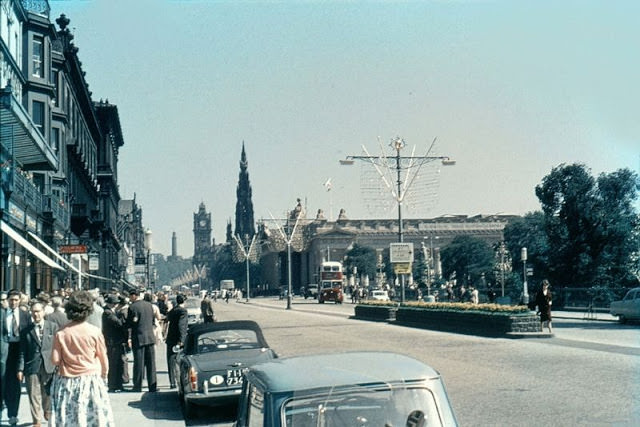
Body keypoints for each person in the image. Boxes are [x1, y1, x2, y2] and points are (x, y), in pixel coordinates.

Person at [50, 290, 114, 426]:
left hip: (66, 381)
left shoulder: (61, 333)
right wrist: (104, 376)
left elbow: (55, 360)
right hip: (90, 380)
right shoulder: (95, 332)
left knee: (69, 418)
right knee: (92, 417)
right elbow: (103, 359)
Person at [18, 302, 58, 426]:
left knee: (47, 393)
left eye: (38, 311)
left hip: (49, 365)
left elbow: (58, 347)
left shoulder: (52, 327)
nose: (36, 314)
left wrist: (59, 364)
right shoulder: (25, 331)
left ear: (43, 312)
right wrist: (20, 369)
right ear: (31, 313)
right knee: (33, 394)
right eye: (33, 311)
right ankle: (37, 420)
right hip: (32, 366)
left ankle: (47, 410)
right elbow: (22, 352)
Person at [1, 289, 32, 426]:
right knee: (2, 382)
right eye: (11, 300)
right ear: (7, 300)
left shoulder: (25, 316)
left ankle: (13, 414)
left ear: (20, 301)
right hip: (3, 351)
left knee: (15, 384)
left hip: (18, 351)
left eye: (16, 300)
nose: (13, 302)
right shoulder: (1, 314)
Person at [126, 288, 157, 392]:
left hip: (138, 338)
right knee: (151, 363)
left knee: (139, 363)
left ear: (134, 295)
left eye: (130, 296)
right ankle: (152, 386)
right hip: (150, 337)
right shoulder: (149, 305)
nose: (130, 298)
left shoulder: (132, 307)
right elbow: (153, 320)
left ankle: (137, 385)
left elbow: (130, 324)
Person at [102, 295, 128, 392]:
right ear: (111, 304)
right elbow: (118, 323)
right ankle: (113, 385)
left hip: (115, 341)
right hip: (112, 342)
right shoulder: (108, 313)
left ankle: (118, 384)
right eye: (115, 303)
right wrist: (123, 318)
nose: (117, 305)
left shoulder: (111, 312)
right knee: (113, 363)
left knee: (117, 363)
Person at [165, 294, 188, 389]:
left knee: (170, 361)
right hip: (177, 340)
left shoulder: (173, 310)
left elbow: (167, 319)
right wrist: (181, 340)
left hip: (170, 338)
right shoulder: (183, 311)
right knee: (181, 361)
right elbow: (181, 326)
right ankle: (182, 381)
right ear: (184, 301)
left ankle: (172, 382)